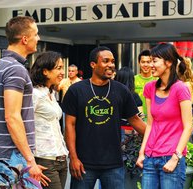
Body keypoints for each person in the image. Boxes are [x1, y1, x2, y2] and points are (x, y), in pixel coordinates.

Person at [62, 46, 147, 189]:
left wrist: (160, 138)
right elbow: (69, 125)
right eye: (105, 61)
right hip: (84, 163)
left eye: (113, 61)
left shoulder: (121, 91)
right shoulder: (76, 90)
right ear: (93, 65)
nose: (111, 65)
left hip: (113, 164)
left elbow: (135, 121)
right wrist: (73, 158)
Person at [0, 16, 50, 188]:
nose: (38, 38)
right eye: (36, 34)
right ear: (24, 39)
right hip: (14, 157)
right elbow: (12, 117)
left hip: (8, 155)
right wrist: (30, 161)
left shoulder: (2, 64)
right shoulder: (15, 69)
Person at [136, 43, 193, 189]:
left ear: (168, 62)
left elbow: (188, 127)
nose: (150, 65)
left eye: (154, 61)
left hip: (171, 157)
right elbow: (150, 123)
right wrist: (142, 153)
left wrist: (176, 158)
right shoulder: (149, 88)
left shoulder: (180, 89)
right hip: (150, 158)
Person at [30, 51, 69, 189]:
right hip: (45, 159)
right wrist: (30, 162)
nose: (62, 72)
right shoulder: (34, 94)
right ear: (45, 71)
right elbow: (20, 123)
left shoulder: (51, 94)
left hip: (61, 159)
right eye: (58, 68)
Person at [115, 67, 142, 139]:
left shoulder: (112, 95)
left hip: (114, 131)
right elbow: (139, 116)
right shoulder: (134, 96)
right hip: (130, 132)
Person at [134, 50, 157, 118]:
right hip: (138, 120)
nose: (146, 65)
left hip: (155, 120)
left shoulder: (158, 80)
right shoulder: (133, 80)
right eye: (143, 62)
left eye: (148, 62)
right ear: (139, 63)